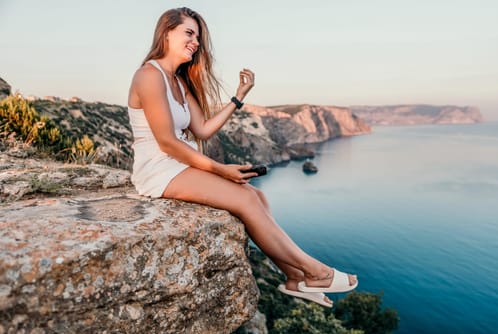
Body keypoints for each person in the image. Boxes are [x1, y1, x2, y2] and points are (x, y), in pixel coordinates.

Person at [127, 7, 358, 307]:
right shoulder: (148, 75)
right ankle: (316, 271)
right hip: (158, 169)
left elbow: (203, 129)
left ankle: (295, 278)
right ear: (166, 31)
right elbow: (168, 142)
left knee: (258, 198)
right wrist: (221, 170)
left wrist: (238, 97)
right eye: (189, 33)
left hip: (179, 164)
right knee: (246, 200)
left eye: (197, 36)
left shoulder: (180, 83)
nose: (196, 42)